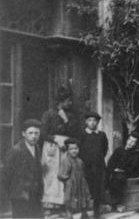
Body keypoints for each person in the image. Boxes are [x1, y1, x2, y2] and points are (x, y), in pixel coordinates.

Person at [41, 86, 80, 216]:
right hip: (52, 147)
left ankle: (64, 204)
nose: (70, 103)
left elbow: (75, 133)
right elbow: (43, 133)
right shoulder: (48, 114)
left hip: (65, 147)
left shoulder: (71, 116)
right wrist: (55, 139)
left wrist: (66, 120)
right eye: (68, 100)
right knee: (51, 176)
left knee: (65, 173)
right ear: (61, 101)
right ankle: (50, 205)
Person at [3, 119, 43, 218]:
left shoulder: (37, 148)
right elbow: (6, 174)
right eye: (30, 133)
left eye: (36, 133)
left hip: (35, 194)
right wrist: (12, 193)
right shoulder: (16, 151)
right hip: (20, 196)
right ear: (24, 134)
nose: (34, 136)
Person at [79, 112, 108, 219]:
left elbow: (104, 149)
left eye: (95, 120)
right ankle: (84, 212)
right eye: (90, 120)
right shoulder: (82, 134)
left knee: (97, 190)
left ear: (98, 122)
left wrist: (98, 159)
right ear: (86, 122)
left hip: (98, 166)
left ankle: (97, 212)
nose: (92, 123)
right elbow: (79, 149)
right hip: (86, 166)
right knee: (85, 189)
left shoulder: (101, 135)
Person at [107, 132, 139, 212]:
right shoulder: (119, 150)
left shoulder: (136, 154)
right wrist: (113, 169)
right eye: (130, 140)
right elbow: (111, 162)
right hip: (115, 171)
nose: (130, 143)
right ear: (127, 139)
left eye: (133, 142)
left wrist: (120, 170)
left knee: (118, 179)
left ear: (136, 144)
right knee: (105, 175)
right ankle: (107, 202)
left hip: (127, 174)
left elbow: (133, 168)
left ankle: (118, 203)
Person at [58, 139, 92, 219]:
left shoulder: (80, 161)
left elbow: (82, 171)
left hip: (81, 182)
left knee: (83, 196)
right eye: (71, 149)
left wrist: (82, 180)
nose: (74, 151)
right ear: (68, 150)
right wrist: (68, 180)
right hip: (71, 183)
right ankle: (69, 213)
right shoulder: (66, 161)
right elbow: (61, 174)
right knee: (70, 198)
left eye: (76, 149)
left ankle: (84, 213)